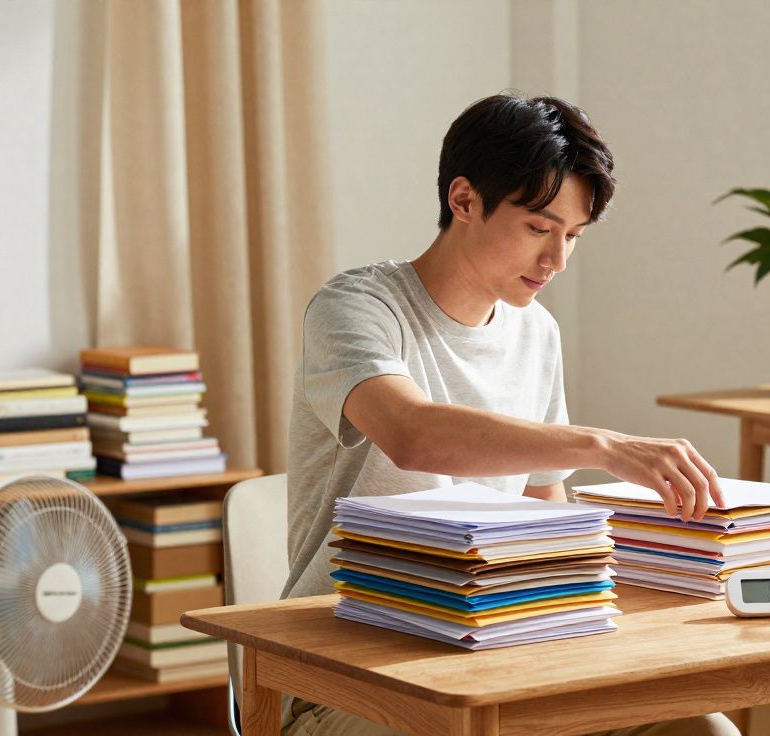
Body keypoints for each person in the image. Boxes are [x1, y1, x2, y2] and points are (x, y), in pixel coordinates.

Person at [282, 93, 739, 736]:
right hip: (351, 674)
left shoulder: (536, 333)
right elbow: (412, 435)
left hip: (500, 659)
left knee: (703, 730)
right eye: (538, 228)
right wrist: (602, 446)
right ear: (464, 201)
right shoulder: (355, 308)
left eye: (572, 237)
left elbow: (542, 504)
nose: (556, 261)